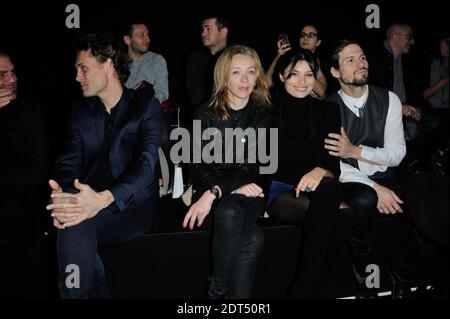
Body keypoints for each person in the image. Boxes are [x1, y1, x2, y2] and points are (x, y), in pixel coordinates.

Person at [45, 33, 161, 299]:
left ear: (108, 65)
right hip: (86, 202)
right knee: (74, 214)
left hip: (132, 207)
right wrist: (61, 192)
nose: (77, 77)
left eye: (83, 68)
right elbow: (67, 162)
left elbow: (145, 166)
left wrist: (103, 199)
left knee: (74, 219)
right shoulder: (80, 110)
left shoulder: (145, 105)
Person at [182, 44, 271, 299]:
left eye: (251, 72)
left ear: (257, 76)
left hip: (248, 194)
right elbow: (197, 165)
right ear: (223, 76)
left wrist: (215, 192)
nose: (244, 80)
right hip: (215, 189)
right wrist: (221, 188)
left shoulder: (261, 115)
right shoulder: (204, 114)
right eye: (236, 72)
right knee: (252, 238)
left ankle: (216, 291)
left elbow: (250, 167)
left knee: (231, 209)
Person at [325, 39, 407, 298]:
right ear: (335, 72)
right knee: (364, 199)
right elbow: (336, 165)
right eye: (350, 60)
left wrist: (355, 151)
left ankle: (402, 274)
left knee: (416, 201)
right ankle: (363, 273)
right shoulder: (327, 108)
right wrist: (374, 186)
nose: (361, 62)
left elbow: (397, 155)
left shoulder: (389, 99)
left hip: (388, 175)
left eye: (361, 57)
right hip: (350, 179)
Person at [266, 49, 341, 298]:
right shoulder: (266, 109)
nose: (302, 81)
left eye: (309, 74)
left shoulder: (328, 111)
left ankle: (302, 290)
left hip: (317, 185)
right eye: (294, 74)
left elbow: (334, 165)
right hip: (278, 186)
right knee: (337, 217)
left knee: (329, 190)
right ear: (281, 76)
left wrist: (320, 170)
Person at [0, 50, 48, 298]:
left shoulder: (30, 111)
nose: (11, 80)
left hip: (22, 222)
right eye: (2, 75)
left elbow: (36, 173)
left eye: (13, 72)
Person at [265, 24, 327, 98]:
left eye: (311, 35)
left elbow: (322, 92)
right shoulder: (291, 59)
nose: (305, 38)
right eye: (303, 35)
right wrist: (279, 56)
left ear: (318, 42)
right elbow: (265, 85)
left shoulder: (319, 63)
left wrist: (306, 73)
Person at [186, 13, 229, 110]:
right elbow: (195, 98)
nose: (203, 33)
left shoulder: (236, 57)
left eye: (208, 29)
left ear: (223, 32)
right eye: (202, 30)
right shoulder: (195, 59)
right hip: (206, 117)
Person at [123, 22, 169, 104]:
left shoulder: (157, 60)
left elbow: (162, 93)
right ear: (127, 40)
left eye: (148, 35)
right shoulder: (118, 63)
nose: (148, 39)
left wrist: (142, 108)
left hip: (147, 113)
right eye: (142, 35)